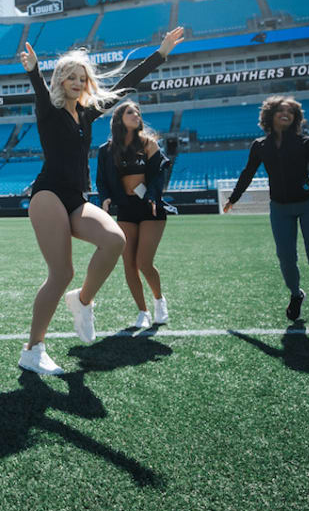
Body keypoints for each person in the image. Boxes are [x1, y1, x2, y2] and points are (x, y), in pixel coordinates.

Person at [18, 27, 185, 375]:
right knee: (61, 272)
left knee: (114, 240)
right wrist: (34, 70)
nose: (78, 83)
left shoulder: (88, 114)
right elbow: (38, 91)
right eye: (71, 77)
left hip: (77, 197)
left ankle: (82, 301)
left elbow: (127, 85)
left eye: (83, 78)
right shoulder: (49, 110)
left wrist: (161, 54)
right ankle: (33, 350)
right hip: (48, 194)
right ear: (61, 80)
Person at [222, 96, 309, 330]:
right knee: (286, 257)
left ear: (295, 118)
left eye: (290, 112)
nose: (286, 114)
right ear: (269, 115)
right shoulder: (260, 145)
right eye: (281, 110)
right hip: (280, 209)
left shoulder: (306, 143)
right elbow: (247, 173)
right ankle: (296, 294)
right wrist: (233, 198)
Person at [95, 100, 173, 330]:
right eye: (130, 112)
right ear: (119, 118)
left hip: (150, 208)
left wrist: (152, 196)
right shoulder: (106, 150)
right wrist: (106, 197)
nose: (136, 115)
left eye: (138, 112)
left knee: (143, 262)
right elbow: (101, 179)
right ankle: (143, 311)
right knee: (128, 263)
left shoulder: (148, 143)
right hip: (126, 208)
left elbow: (159, 175)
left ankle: (159, 301)